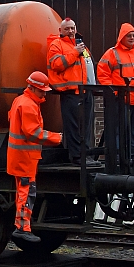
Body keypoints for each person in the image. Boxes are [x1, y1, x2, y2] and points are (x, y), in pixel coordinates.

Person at [7, 71, 63, 245]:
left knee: (24, 192)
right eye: (42, 90)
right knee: (26, 193)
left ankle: (22, 227)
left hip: (21, 157)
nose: (44, 94)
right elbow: (34, 133)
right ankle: (22, 229)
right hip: (25, 158)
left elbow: (11, 118)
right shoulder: (29, 105)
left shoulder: (20, 101)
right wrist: (59, 138)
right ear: (32, 87)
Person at [96, 23, 134, 160]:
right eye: (129, 35)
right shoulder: (112, 53)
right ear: (122, 37)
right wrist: (113, 91)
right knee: (118, 128)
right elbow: (102, 71)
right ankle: (118, 155)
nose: (132, 38)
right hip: (121, 98)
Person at [47, 17, 97, 165]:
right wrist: (74, 52)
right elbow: (56, 64)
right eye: (67, 28)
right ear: (60, 31)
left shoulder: (81, 45)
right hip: (70, 92)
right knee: (73, 127)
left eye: (72, 28)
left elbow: (88, 65)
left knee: (86, 126)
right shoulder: (56, 45)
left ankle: (85, 155)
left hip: (85, 91)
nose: (70, 31)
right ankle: (76, 157)